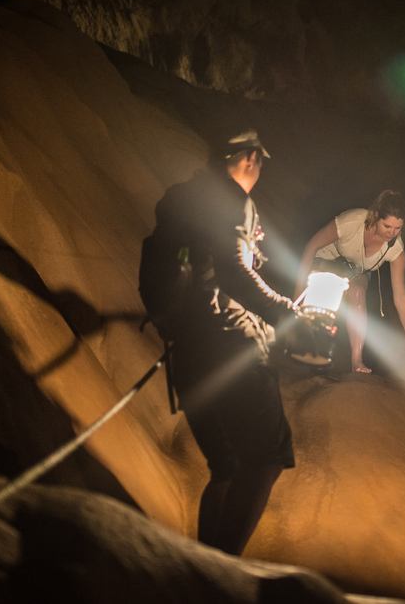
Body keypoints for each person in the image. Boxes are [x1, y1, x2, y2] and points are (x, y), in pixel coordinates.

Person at [147, 129, 295, 555]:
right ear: (250, 158)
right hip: (230, 346)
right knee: (266, 459)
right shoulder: (232, 199)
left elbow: (211, 262)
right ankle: (221, 573)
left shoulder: (184, 197)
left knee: (226, 467)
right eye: (260, 162)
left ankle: (202, 567)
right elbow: (233, 273)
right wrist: (288, 313)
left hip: (188, 352)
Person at [295, 190, 405, 373]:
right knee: (325, 291)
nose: (392, 233)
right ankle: (304, 343)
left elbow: (401, 297)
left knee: (358, 292)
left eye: (398, 228)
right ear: (376, 216)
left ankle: (356, 361)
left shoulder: (396, 250)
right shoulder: (352, 222)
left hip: (355, 273)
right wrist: (296, 295)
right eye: (387, 226)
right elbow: (311, 246)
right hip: (326, 262)